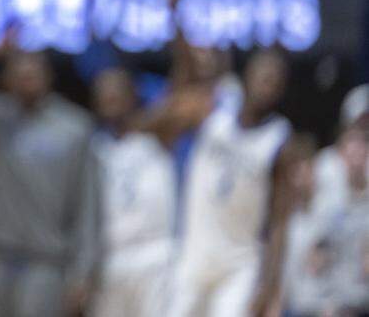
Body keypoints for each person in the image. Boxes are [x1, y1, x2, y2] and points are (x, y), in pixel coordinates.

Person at [0, 46, 101, 317]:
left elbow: (88, 205)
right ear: (7, 80)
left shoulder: (74, 128)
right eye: (20, 74)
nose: (27, 79)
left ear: (49, 77)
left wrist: (84, 271)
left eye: (34, 73)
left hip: (46, 264)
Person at [161, 50, 296, 317]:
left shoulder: (279, 139)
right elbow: (184, 80)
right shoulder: (214, 111)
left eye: (275, 82)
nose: (268, 86)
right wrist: (178, 20)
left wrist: (270, 285)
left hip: (240, 261)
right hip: (195, 254)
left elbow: (280, 221)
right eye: (264, 77)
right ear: (247, 77)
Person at [89, 67, 175, 317]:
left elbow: (181, 91)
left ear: (132, 96)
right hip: (110, 259)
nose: (110, 98)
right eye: (104, 94)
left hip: (153, 256)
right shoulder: (94, 148)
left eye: (116, 92)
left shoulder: (156, 135)